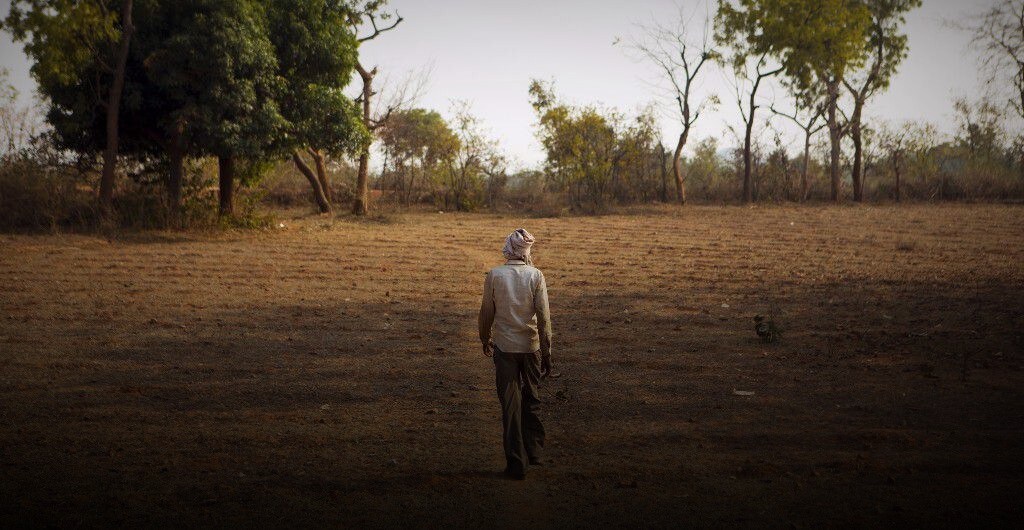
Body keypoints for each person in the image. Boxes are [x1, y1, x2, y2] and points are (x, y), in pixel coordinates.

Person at [478, 228, 553, 480]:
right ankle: (535, 452)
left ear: (508, 249)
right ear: (526, 251)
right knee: (532, 398)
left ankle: (516, 463)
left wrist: (484, 337)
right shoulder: (536, 275)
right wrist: (547, 351)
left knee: (510, 406)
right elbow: (544, 317)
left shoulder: (494, 275)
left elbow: (487, 311)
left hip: (505, 348)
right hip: (531, 347)